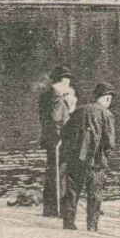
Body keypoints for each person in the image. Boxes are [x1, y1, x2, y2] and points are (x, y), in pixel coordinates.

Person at [59, 82, 116, 232]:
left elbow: (65, 133)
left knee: (72, 191)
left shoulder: (79, 111)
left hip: (76, 158)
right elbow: (110, 141)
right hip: (96, 161)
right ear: (108, 99)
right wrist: (107, 156)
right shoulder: (107, 114)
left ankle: (69, 223)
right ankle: (92, 225)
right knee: (95, 194)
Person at [37, 66, 77, 217]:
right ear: (62, 81)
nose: (68, 84)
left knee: (52, 172)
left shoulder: (45, 96)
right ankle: (58, 208)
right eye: (66, 80)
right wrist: (70, 106)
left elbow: (45, 118)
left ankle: (50, 207)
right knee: (59, 173)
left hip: (49, 139)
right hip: (59, 139)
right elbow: (56, 119)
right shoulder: (58, 98)